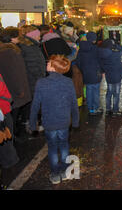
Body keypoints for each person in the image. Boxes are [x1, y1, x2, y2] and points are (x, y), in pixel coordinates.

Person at [29, 55, 79, 185]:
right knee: (64, 145)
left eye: (49, 63)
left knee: (52, 147)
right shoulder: (68, 82)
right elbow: (74, 103)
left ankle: (55, 174)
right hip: (64, 121)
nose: (47, 64)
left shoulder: (41, 83)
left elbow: (35, 106)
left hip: (49, 122)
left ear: (53, 67)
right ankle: (65, 171)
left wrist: (33, 124)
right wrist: (75, 121)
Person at [17, 26, 46, 134]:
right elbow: (33, 66)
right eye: (38, 34)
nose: (40, 36)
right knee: (34, 104)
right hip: (33, 80)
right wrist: (41, 77)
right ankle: (32, 126)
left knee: (32, 103)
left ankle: (30, 124)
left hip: (32, 79)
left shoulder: (30, 45)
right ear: (32, 35)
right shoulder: (29, 47)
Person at [73, 32, 103, 116]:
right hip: (96, 73)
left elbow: (78, 62)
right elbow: (101, 61)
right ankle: (96, 108)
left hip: (86, 74)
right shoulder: (96, 49)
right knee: (96, 91)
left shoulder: (81, 49)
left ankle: (91, 109)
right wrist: (100, 70)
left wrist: (83, 70)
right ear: (94, 39)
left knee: (89, 91)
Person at [0, 72, 19, 189]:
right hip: (3, 112)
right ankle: (10, 169)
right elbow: (3, 91)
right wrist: (8, 99)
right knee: (6, 142)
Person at [99, 39, 122, 117]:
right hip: (117, 76)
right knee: (116, 94)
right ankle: (115, 110)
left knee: (109, 92)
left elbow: (102, 66)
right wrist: (116, 45)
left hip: (109, 76)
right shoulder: (115, 54)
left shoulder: (102, 54)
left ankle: (108, 110)